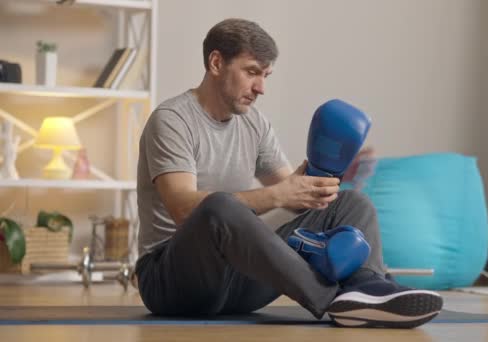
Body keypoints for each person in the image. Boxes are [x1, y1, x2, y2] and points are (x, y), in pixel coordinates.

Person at [135, 18, 443, 328]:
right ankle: (334, 300)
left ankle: (367, 288)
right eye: (252, 72)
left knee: (352, 204)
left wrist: (329, 174)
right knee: (218, 207)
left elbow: (295, 195)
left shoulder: (255, 124)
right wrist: (280, 194)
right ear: (216, 63)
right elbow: (183, 209)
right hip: (172, 281)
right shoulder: (173, 120)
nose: (261, 88)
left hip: (237, 283)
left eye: (265, 75)